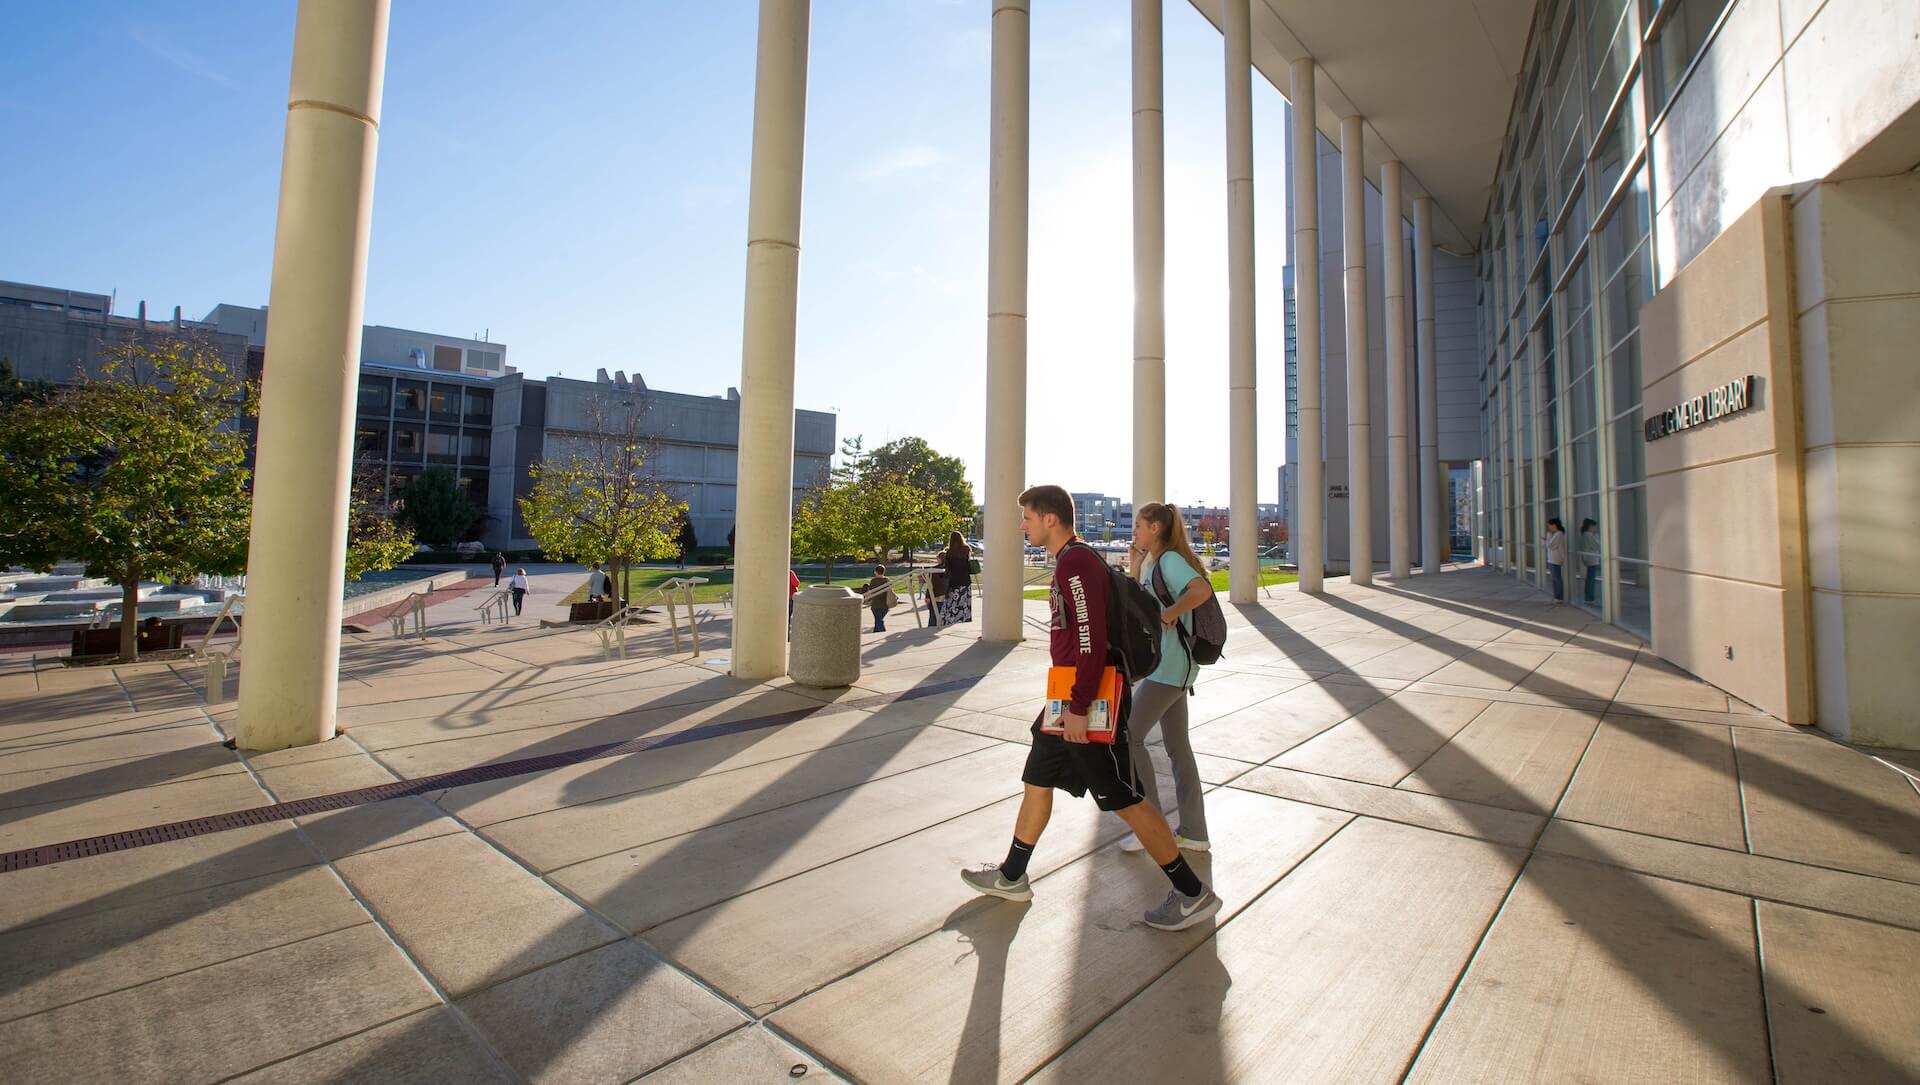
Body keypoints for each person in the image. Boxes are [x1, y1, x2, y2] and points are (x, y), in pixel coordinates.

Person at [960, 485, 1221, 932]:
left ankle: (1192, 893)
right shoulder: (1072, 560)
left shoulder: (1076, 562)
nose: (1022, 525)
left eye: (1027, 517)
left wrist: (1079, 707)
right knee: (1036, 780)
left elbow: (1089, 636)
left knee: (1127, 800)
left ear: (1050, 520)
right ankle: (1011, 875)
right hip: (1066, 698)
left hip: (1088, 700)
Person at [1117, 502, 1213, 855]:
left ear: (1155, 527)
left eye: (1139, 525)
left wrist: (1171, 614)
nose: (1134, 531)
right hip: (1170, 668)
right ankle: (1194, 832)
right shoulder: (1155, 562)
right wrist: (1136, 564)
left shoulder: (1171, 560)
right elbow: (1142, 601)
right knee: (1177, 749)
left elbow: (1200, 590)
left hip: (1169, 669)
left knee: (1130, 736)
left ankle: (1152, 827)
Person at [938, 530, 974, 625]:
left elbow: (947, 569)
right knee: (964, 603)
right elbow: (968, 566)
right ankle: (964, 620)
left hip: (953, 582)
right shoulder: (966, 549)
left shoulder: (949, 553)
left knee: (952, 603)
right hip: (965, 581)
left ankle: (951, 620)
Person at [862, 564, 895, 632]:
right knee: (879, 620)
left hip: (876, 605)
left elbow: (870, 592)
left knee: (878, 620)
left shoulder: (873, 581)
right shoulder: (887, 580)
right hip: (885, 604)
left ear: (876, 572)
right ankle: (879, 630)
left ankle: (879, 631)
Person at [1577, 518, 1601, 606]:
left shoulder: (1584, 534)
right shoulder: (1588, 535)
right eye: (1594, 527)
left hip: (1588, 558)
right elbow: (1597, 545)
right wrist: (1596, 536)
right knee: (1591, 579)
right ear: (1591, 526)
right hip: (1591, 559)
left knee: (1589, 578)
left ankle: (1588, 597)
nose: (1595, 529)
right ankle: (1589, 598)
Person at [1543, 518, 1567, 602]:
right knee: (1554, 578)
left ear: (1554, 525)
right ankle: (1556, 596)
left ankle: (1559, 597)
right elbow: (1549, 545)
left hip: (1556, 559)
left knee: (1557, 578)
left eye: (1549, 525)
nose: (1549, 527)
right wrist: (1548, 539)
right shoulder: (1555, 534)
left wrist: (1547, 538)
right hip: (1552, 559)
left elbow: (1551, 546)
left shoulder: (1559, 534)